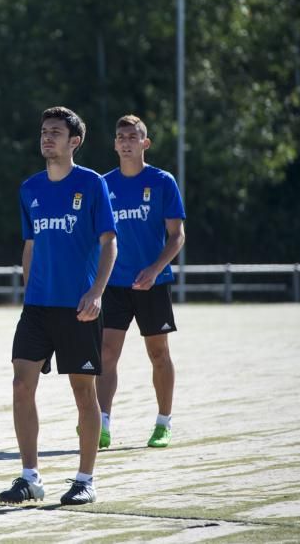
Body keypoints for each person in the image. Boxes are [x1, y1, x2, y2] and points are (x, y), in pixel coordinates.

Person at [0, 106, 116, 507]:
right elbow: (30, 245)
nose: (47, 138)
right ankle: (30, 477)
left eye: (56, 133)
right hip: (37, 307)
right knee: (20, 384)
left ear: (74, 142)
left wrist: (97, 292)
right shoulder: (29, 188)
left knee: (84, 393)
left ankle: (85, 479)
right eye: (44, 131)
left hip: (78, 307)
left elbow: (109, 244)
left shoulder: (93, 184)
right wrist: (28, 290)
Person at [97, 115, 186, 449]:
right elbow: (96, 237)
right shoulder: (103, 184)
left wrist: (154, 268)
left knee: (158, 353)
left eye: (133, 136)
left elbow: (177, 236)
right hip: (114, 284)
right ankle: (102, 423)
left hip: (153, 282)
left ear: (145, 143)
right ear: (115, 143)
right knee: (106, 354)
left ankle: (164, 422)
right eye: (121, 136)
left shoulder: (162, 182)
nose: (126, 141)